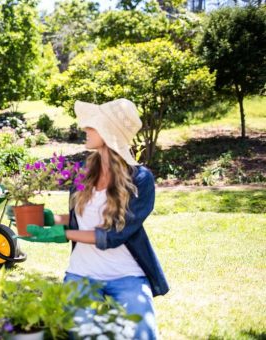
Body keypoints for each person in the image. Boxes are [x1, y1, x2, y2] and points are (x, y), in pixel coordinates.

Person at [22, 98, 169, 339]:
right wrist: (48, 219)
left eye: (93, 126)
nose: (85, 129)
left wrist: (64, 234)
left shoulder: (141, 180)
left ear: (108, 133)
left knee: (143, 333)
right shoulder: (84, 171)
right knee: (82, 334)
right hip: (82, 273)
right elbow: (80, 220)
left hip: (127, 275)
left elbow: (115, 235)